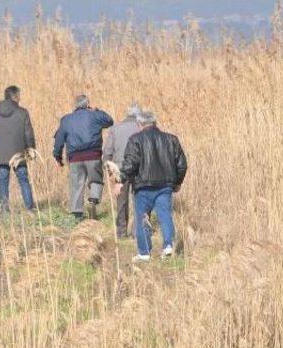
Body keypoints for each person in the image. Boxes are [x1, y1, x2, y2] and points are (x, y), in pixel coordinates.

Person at [114, 112, 188, 263]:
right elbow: (182, 164)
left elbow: (131, 164)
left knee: (142, 217)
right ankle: (168, 246)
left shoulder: (135, 139)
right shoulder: (171, 139)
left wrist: (120, 180)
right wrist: (177, 183)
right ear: (155, 123)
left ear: (139, 125)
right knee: (165, 216)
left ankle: (144, 252)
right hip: (165, 186)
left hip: (143, 186)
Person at [53, 95, 114, 220]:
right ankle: (93, 200)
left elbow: (59, 139)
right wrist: (97, 110)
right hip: (93, 155)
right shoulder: (95, 115)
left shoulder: (66, 120)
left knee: (76, 184)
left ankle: (77, 214)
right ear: (87, 104)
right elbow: (110, 121)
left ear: (75, 105)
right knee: (96, 179)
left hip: (75, 157)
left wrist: (57, 156)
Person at [0, 85, 36, 214]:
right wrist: (31, 151)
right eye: (19, 95)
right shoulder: (23, 113)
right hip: (19, 154)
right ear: (15, 97)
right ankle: (30, 209)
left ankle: (4, 210)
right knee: (23, 180)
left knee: (2, 181)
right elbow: (29, 134)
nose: (20, 98)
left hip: (0, 154)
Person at [103, 103, 142, 238]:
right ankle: (138, 231)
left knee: (121, 200)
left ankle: (121, 231)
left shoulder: (115, 128)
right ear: (138, 115)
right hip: (138, 168)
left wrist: (109, 170)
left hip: (119, 168)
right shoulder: (140, 128)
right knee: (139, 198)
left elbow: (107, 151)